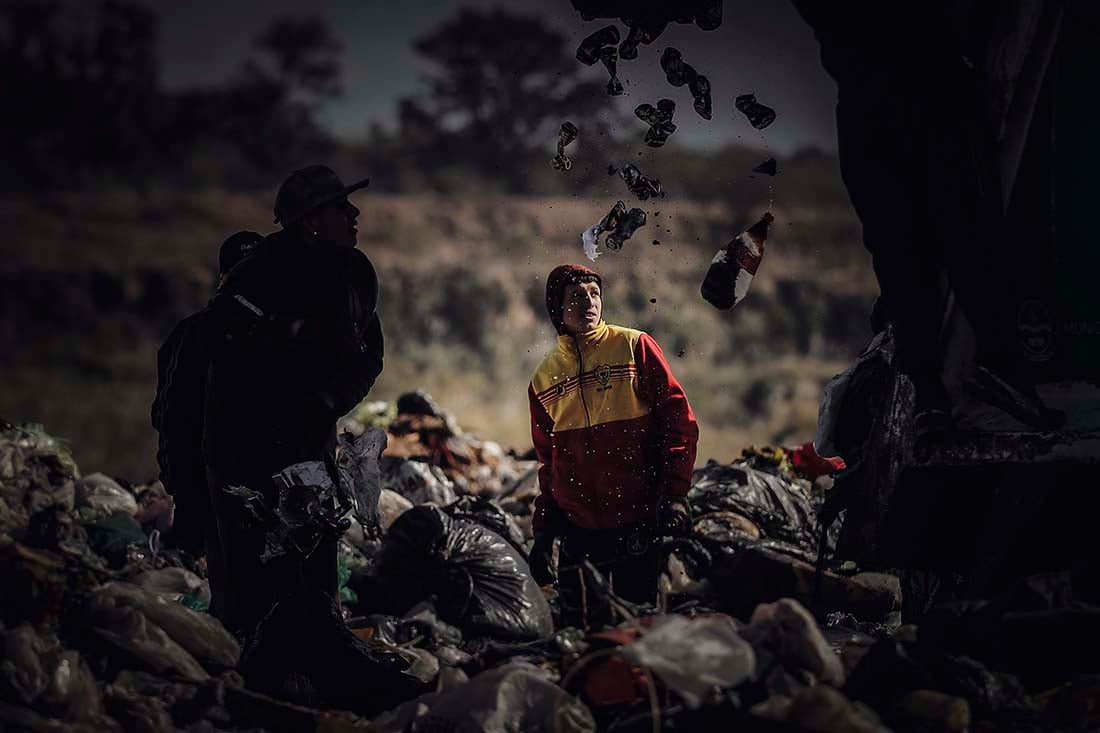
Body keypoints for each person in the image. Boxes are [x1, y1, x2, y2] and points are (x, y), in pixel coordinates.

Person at [201, 165, 383, 637]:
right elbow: (224, 342)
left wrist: (328, 400)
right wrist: (300, 336)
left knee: (316, 567)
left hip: (310, 446)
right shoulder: (256, 274)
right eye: (341, 207)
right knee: (253, 582)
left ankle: (320, 666)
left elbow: (367, 356)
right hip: (246, 449)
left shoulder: (355, 274)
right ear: (311, 221)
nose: (354, 213)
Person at [527, 264, 698, 617]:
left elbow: (680, 423)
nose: (589, 302)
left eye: (594, 294)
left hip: (636, 519)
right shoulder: (543, 379)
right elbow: (549, 462)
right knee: (579, 631)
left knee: (637, 627)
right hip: (578, 530)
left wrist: (676, 494)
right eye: (577, 296)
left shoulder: (634, 346)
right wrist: (544, 533)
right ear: (557, 308)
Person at [152, 230, 262, 557]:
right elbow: (170, 412)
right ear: (226, 278)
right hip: (202, 484)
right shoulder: (196, 333)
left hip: (256, 487)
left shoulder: (276, 334)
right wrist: (181, 481)